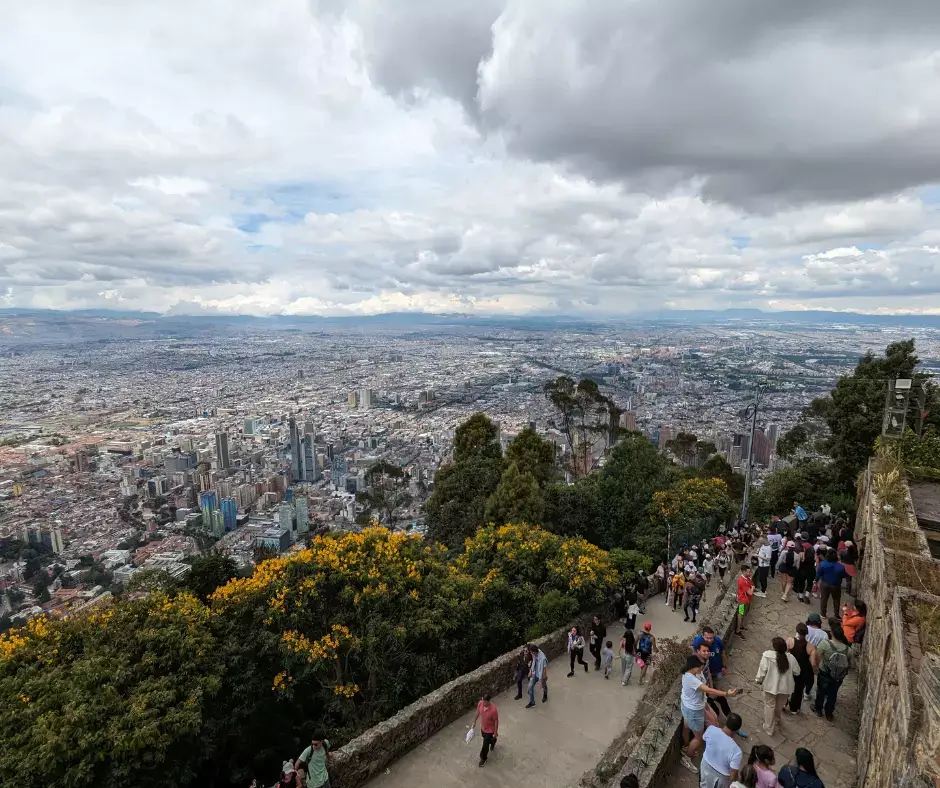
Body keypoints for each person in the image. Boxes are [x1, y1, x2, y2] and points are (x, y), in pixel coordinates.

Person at [680, 655, 742, 773]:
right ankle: (686, 756)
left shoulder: (695, 673)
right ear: (692, 667)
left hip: (695, 705)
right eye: (699, 666)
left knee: (692, 724)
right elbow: (707, 690)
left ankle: (686, 746)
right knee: (698, 738)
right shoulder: (690, 678)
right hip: (694, 709)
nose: (701, 668)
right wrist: (726, 693)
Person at [755, 636, 800, 736]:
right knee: (779, 705)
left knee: (769, 706)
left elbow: (762, 671)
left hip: (770, 687)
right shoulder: (791, 658)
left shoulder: (767, 656)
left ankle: (769, 728)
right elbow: (797, 671)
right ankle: (776, 719)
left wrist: (758, 680)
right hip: (785, 688)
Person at [811, 619, 851, 721]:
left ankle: (818, 709)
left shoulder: (825, 644)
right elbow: (851, 664)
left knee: (821, 692)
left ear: (832, 634)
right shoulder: (848, 650)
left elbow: (817, 656)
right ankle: (829, 713)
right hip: (838, 677)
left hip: (824, 672)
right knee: (832, 694)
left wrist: (816, 667)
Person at [700, 712, 744, 788]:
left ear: (726, 722)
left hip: (705, 767)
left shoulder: (711, 729)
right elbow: (732, 776)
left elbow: (704, 738)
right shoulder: (737, 751)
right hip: (720, 779)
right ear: (737, 730)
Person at [785, 623, 816, 714]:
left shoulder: (790, 641)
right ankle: (794, 708)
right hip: (801, 671)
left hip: (790, 668)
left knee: (786, 685)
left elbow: (785, 653)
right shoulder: (810, 647)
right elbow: (813, 663)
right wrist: (815, 671)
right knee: (798, 690)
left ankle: (783, 703)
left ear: (797, 631)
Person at [816, 549, 847, 618]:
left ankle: (823, 613)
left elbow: (818, 574)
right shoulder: (841, 567)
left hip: (824, 584)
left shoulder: (822, 564)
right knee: (836, 600)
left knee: (824, 599)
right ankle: (836, 614)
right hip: (835, 585)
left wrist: (815, 581)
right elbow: (844, 575)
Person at [471, 693, 499, 767]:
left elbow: (496, 721)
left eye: (485, 702)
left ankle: (483, 758)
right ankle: (493, 741)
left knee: (485, 745)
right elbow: (477, 712)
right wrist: (474, 721)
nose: (484, 703)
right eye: (483, 701)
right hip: (483, 728)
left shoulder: (493, 710)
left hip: (490, 730)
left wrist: (495, 732)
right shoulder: (480, 703)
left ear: (489, 701)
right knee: (488, 740)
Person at [794, 533, 815, 604]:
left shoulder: (798, 545)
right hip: (811, 567)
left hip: (802, 567)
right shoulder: (811, 546)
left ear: (801, 537)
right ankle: (807, 595)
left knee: (801, 582)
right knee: (809, 583)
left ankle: (800, 597)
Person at [526, 643, 548, 708]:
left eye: (531, 652)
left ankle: (545, 695)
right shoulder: (534, 654)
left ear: (534, 652)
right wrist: (531, 671)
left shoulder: (543, 658)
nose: (531, 653)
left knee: (544, 686)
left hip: (541, 674)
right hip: (535, 673)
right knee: (530, 686)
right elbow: (534, 662)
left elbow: (544, 670)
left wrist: (541, 681)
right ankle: (532, 702)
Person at [736, 566, 754, 638]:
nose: (749, 573)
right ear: (744, 572)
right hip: (742, 601)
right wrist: (752, 588)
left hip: (747, 600)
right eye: (748, 571)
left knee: (744, 613)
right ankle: (737, 630)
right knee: (740, 614)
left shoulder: (748, 578)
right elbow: (750, 592)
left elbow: (752, 584)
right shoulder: (742, 581)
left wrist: (752, 587)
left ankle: (741, 626)